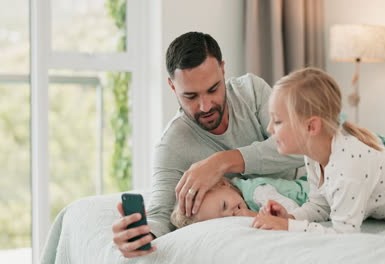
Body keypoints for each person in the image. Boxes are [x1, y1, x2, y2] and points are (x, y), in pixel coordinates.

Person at [111, 31, 305, 258]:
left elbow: (300, 147)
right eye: (191, 96)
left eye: (213, 89)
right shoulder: (172, 146)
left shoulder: (251, 92)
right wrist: (138, 236)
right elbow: (160, 215)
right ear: (172, 87)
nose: (205, 106)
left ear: (223, 70)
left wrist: (222, 162)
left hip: (305, 200)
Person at [252, 67, 385, 233]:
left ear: (311, 126)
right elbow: (320, 206)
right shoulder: (314, 157)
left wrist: (289, 227)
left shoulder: (347, 167)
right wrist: (289, 218)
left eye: (277, 121)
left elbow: (344, 234)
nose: (270, 128)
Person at [171, 177, 310, 228]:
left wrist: (252, 215)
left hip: (315, 194)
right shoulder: (237, 200)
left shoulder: (257, 192)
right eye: (223, 219)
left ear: (224, 184)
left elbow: (292, 213)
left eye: (224, 205)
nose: (231, 214)